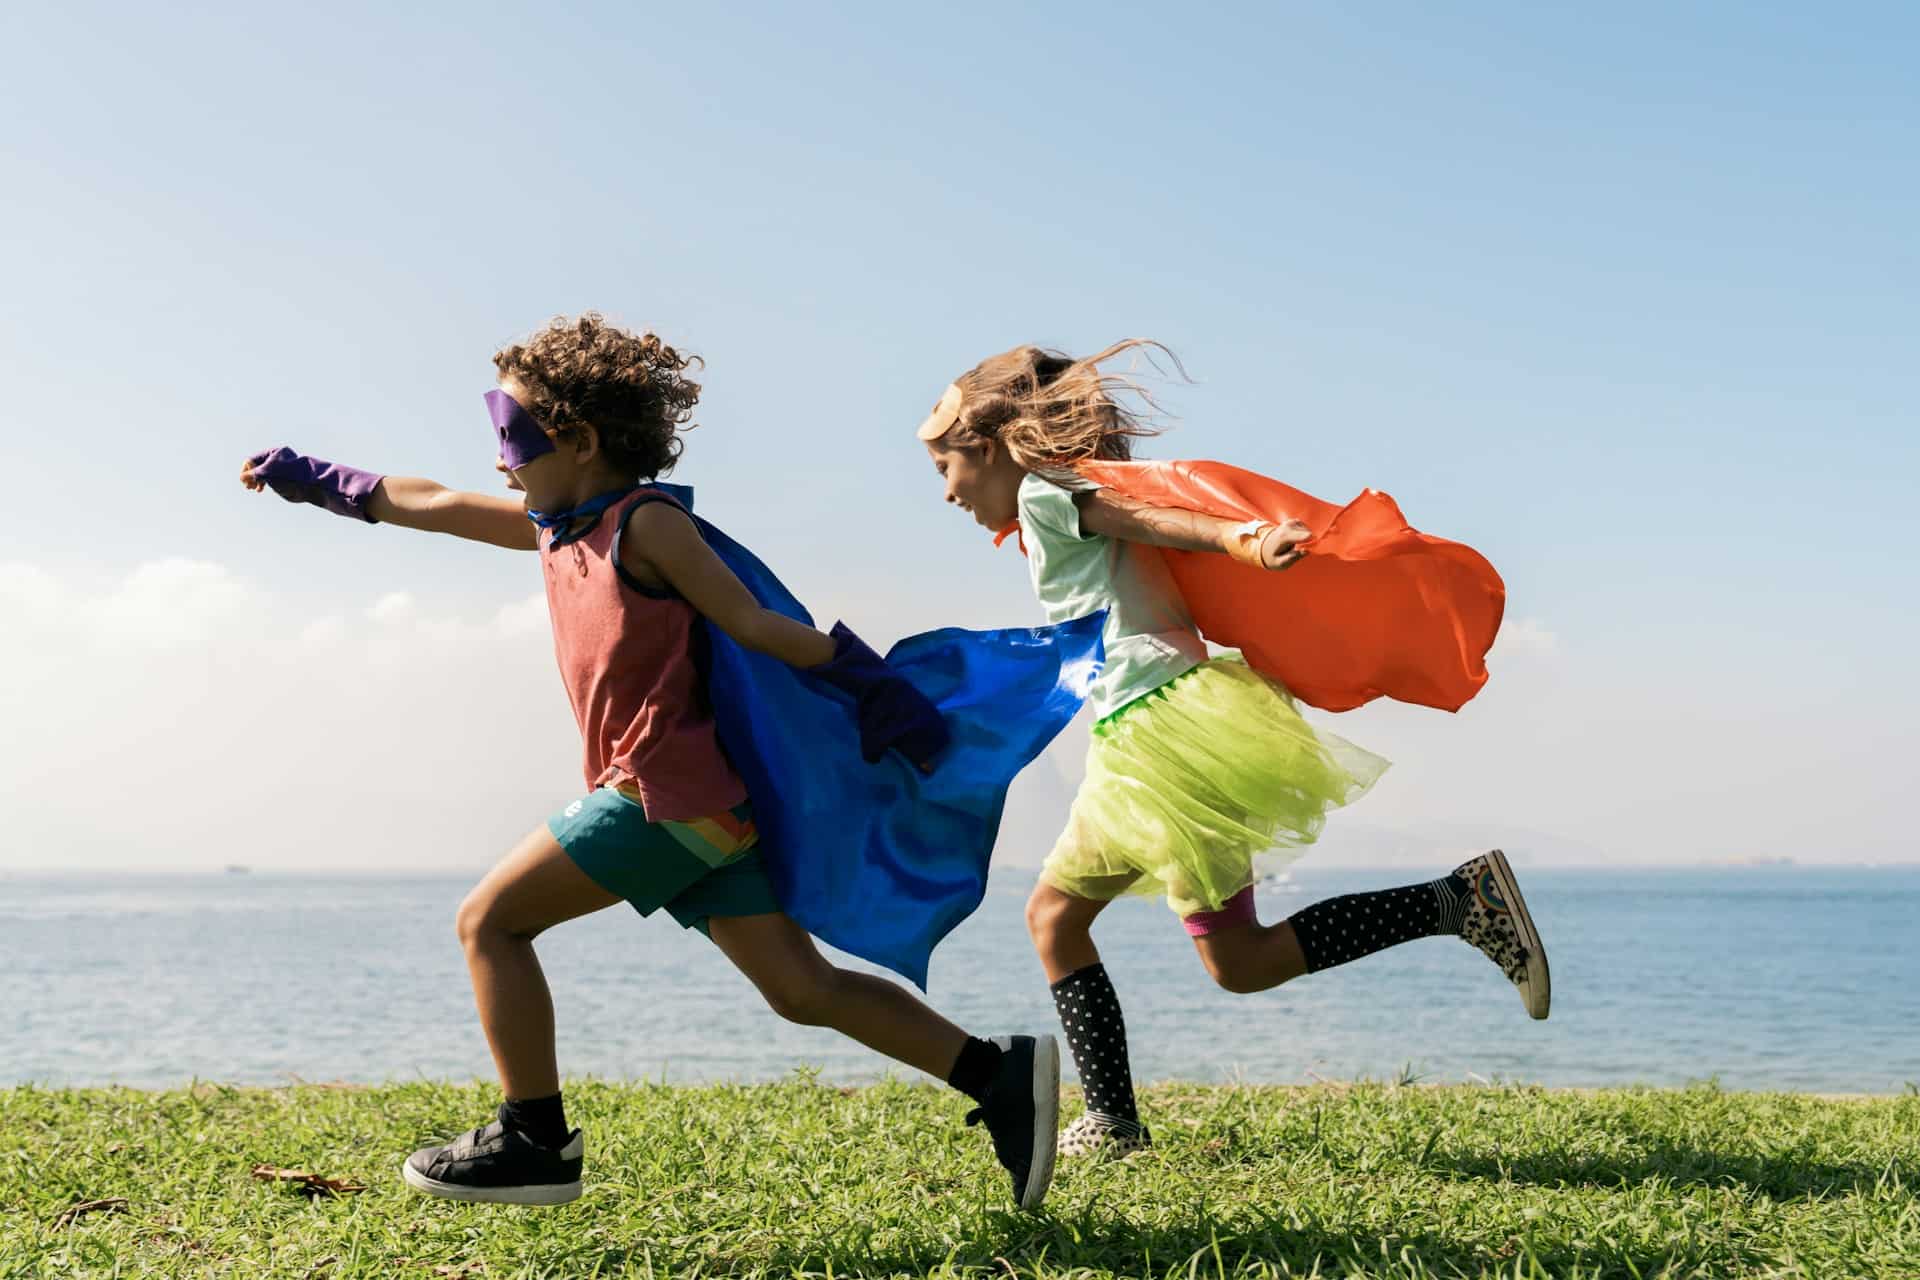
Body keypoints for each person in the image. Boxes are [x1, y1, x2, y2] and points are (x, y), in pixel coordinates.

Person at [241, 315, 1060, 1208]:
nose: (501, 461)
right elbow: (427, 502)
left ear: (582, 440)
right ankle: (996, 1074)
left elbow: (751, 621)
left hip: (664, 797)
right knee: (801, 987)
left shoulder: (644, 524)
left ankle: (534, 1138)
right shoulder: (556, 526)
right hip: (704, 811)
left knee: (492, 924)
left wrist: (869, 684)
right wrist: (318, 480)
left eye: (512, 437)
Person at [917, 340, 1549, 1159]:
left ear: (993, 446)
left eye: (944, 468)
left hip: (1159, 734)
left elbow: (1150, 519)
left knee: (1077, 923)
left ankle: (1115, 1123)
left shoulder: (1047, 493)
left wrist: (1240, 540)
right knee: (1210, 955)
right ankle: (1454, 903)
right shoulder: (1049, 505)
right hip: (1153, 730)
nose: (945, 493)